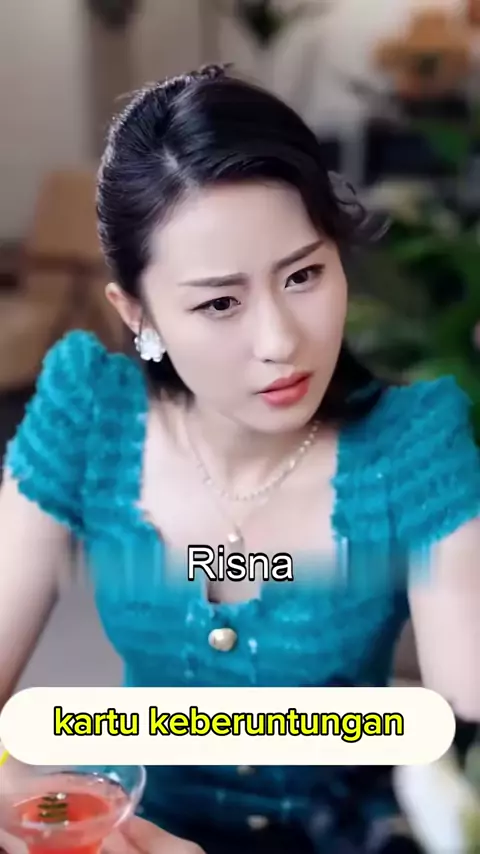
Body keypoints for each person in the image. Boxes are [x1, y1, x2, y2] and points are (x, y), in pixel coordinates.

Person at [0, 64, 479, 854]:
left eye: (304, 275)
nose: (280, 341)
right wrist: (47, 806)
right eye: (220, 301)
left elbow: (467, 785)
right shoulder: (87, 414)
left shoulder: (413, 449)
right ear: (138, 313)